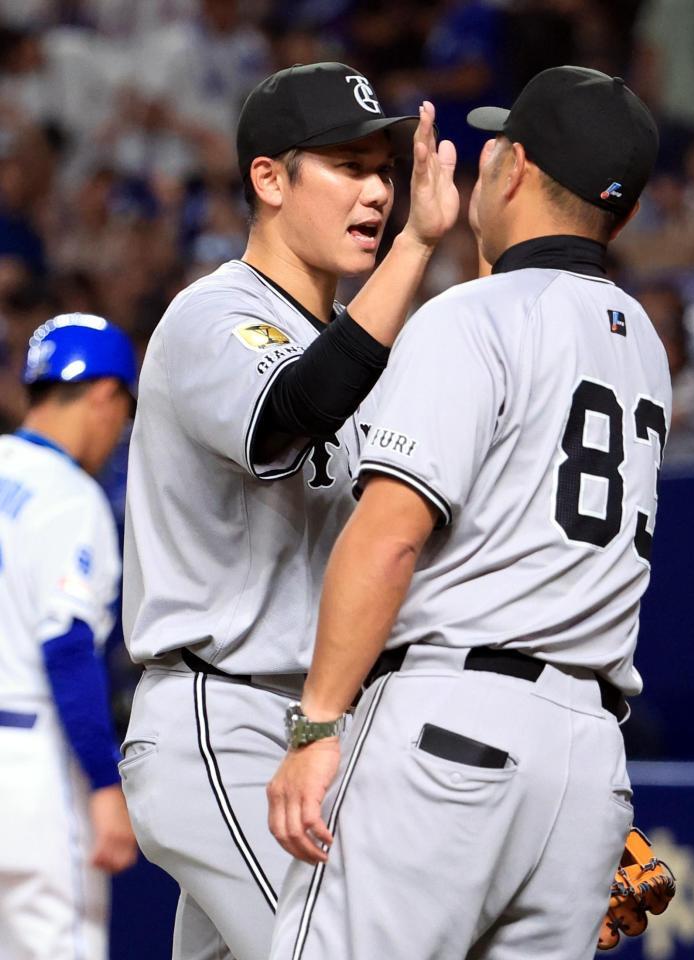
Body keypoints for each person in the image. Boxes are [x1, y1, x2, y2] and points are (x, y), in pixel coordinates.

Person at [266, 65, 670, 960]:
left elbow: (390, 537)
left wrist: (317, 725)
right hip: (587, 767)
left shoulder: (468, 319)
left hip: (453, 731)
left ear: (513, 169)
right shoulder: (643, 342)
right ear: (625, 213)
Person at [119, 61, 458, 960]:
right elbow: (289, 414)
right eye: (347, 166)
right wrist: (418, 250)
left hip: (312, 733)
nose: (378, 190)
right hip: (219, 717)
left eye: (383, 168)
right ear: (269, 178)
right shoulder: (212, 313)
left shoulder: (354, 350)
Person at [0, 313, 138, 960]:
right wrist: (105, 786)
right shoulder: (68, 495)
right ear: (105, 396)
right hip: (30, 765)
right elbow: (67, 651)